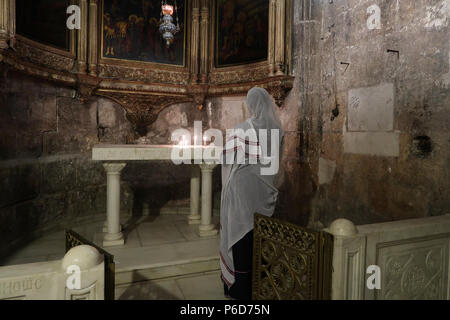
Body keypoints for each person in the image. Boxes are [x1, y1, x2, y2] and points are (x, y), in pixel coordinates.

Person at [220, 87, 284, 300]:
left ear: (250, 104)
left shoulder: (241, 129)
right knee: (259, 234)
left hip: (242, 190)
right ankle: (261, 280)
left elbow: (227, 159)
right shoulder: (277, 128)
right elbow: (274, 164)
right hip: (264, 189)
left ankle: (241, 288)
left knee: (241, 234)